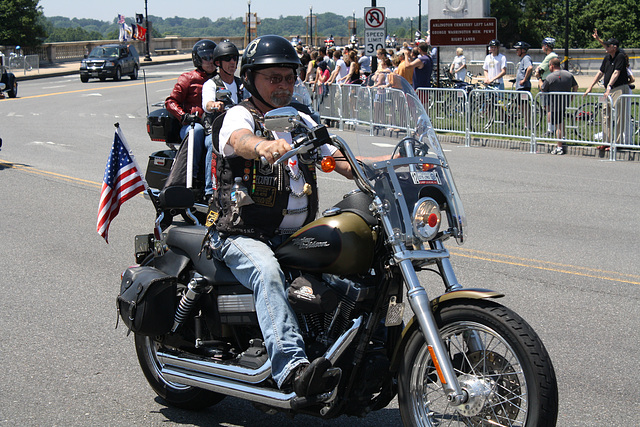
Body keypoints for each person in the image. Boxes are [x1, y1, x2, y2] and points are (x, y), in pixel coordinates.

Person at [205, 35, 355, 398]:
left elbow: (339, 159)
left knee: (348, 266)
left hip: (294, 236)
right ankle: (292, 369)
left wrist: (385, 170)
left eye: (289, 78)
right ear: (252, 78)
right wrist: (263, 145)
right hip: (242, 233)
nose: (283, 85)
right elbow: (239, 139)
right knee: (267, 273)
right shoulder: (240, 114)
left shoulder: (301, 119)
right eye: (274, 78)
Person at [165, 40, 217, 187]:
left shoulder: (220, 80)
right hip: (192, 126)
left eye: (213, 57)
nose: (210, 61)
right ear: (198, 59)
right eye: (206, 57)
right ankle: (191, 176)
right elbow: (170, 102)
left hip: (213, 125)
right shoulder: (188, 79)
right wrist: (184, 116)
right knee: (198, 132)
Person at [202, 41, 243, 199]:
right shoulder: (211, 84)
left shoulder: (241, 84)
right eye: (228, 59)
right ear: (218, 62)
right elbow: (206, 104)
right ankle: (209, 190)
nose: (232, 62)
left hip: (237, 128)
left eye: (234, 58)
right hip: (214, 129)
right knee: (214, 146)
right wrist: (214, 104)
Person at [584, 36, 631, 145]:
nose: (605, 47)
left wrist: (609, 86)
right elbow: (600, 72)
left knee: (620, 116)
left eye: (608, 45)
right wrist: (591, 85)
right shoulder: (607, 57)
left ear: (614, 47)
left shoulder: (620, 57)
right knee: (604, 114)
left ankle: (618, 143)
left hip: (618, 89)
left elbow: (616, 72)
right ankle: (606, 141)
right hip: (607, 90)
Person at [540, 57, 579, 155]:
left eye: (549, 65)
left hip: (554, 104)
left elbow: (543, 88)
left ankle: (559, 147)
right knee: (561, 122)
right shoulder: (569, 75)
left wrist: (539, 78)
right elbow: (575, 86)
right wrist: (572, 96)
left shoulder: (550, 77)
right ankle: (562, 140)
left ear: (552, 66)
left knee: (558, 126)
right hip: (565, 102)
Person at [535, 37, 559, 135]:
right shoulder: (552, 55)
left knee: (548, 107)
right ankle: (552, 127)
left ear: (546, 46)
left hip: (546, 81)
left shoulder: (550, 56)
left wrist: (537, 72)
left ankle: (550, 129)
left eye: (543, 45)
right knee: (549, 106)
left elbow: (540, 69)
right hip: (551, 81)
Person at [514, 41, 534, 128]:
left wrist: (524, 79)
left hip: (524, 87)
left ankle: (528, 124)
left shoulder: (526, 58)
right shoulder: (523, 59)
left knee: (524, 106)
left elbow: (529, 68)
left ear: (523, 50)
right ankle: (526, 121)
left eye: (518, 49)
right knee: (519, 105)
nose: (516, 51)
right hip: (520, 87)